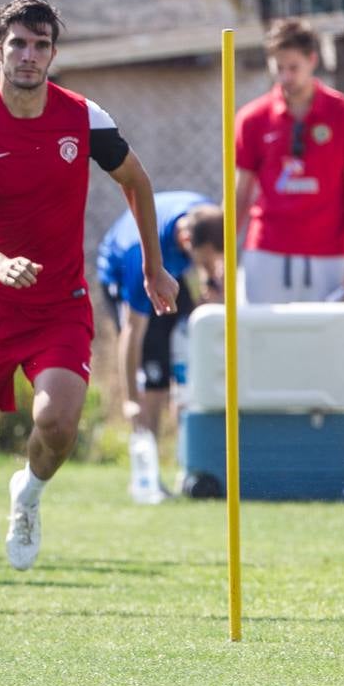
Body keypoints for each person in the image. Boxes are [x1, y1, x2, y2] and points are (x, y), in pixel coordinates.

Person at [0, 0, 176, 616]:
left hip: (57, 304)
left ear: (53, 55)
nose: (29, 56)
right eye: (18, 44)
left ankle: (30, 493)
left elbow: (136, 181)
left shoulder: (83, 117)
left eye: (41, 46)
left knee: (58, 423)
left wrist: (154, 264)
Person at [235, 17, 344, 304]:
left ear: (312, 60)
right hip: (267, 253)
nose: (285, 77)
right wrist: (221, 256)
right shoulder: (253, 119)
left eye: (293, 68)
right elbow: (240, 193)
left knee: (327, 345)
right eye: (278, 68)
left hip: (329, 255)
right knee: (264, 344)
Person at [96, 193, 222, 503]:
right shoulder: (141, 259)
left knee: (190, 342)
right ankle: (146, 475)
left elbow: (213, 259)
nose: (208, 266)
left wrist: (211, 281)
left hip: (170, 271)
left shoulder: (205, 213)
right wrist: (129, 399)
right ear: (185, 238)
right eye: (204, 259)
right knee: (151, 380)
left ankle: (190, 463)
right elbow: (132, 333)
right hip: (127, 277)